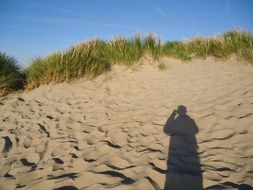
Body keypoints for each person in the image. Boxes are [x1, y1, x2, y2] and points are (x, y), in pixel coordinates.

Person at [164, 105, 202, 190]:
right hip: (189, 153)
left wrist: (172, 116)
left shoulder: (175, 122)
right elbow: (196, 130)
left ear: (178, 112)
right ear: (186, 112)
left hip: (175, 154)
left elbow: (166, 130)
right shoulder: (190, 120)